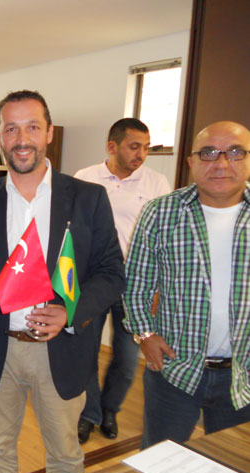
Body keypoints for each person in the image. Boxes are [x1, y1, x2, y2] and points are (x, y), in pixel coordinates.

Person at [0, 90, 124, 473]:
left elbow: (111, 273)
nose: (22, 139)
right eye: (11, 129)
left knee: (65, 456)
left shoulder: (87, 199)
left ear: (49, 132)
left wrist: (70, 311)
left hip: (62, 351)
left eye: (32, 127)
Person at [123, 121, 250, 449]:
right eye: (208, 153)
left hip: (243, 374)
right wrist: (144, 334)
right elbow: (135, 285)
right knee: (159, 461)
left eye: (235, 152)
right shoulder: (161, 213)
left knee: (233, 465)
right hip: (174, 370)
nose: (221, 163)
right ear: (191, 162)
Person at [73, 118, 171, 443]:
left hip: (135, 286)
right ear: (112, 146)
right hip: (93, 281)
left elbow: (164, 239)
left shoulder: (157, 184)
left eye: (146, 148)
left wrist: (158, 287)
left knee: (128, 359)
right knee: (86, 350)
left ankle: (109, 409)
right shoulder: (85, 178)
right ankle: (88, 414)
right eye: (134, 147)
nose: (141, 154)